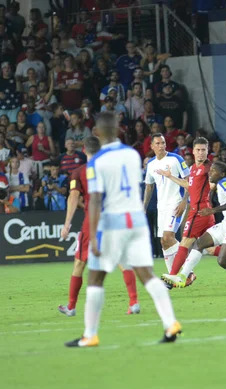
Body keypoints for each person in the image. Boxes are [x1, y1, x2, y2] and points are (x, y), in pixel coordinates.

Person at [65, 113, 181, 348]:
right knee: (146, 274)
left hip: (113, 222)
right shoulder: (132, 154)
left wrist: (95, 234)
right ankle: (170, 323)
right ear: (118, 129)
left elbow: (95, 200)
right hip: (136, 221)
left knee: (95, 277)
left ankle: (90, 334)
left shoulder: (96, 161)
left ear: (97, 132)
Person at [153, 137, 226, 289]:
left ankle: (173, 277)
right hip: (202, 212)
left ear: (207, 151)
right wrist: (170, 176)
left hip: (200, 211)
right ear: (193, 151)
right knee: (209, 248)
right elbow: (189, 185)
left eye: (204, 150)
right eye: (198, 150)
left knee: (185, 242)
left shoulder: (209, 168)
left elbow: (217, 181)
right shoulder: (193, 168)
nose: (201, 153)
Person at [59, 136, 139, 317]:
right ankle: (133, 302)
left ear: (84, 151)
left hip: (92, 222)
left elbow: (73, 197)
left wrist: (67, 224)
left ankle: (71, 306)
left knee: (80, 262)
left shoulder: (79, 172)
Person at [164, 161, 226, 292]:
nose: (210, 173)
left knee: (222, 260)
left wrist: (213, 210)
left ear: (222, 174)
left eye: (213, 171)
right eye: (210, 170)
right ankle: (183, 276)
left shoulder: (224, 183)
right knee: (199, 243)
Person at [143, 133, 190, 273]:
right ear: (152, 146)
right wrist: (143, 207)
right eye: (157, 143)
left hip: (176, 202)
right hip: (161, 207)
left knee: (168, 237)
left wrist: (184, 201)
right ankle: (172, 274)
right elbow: (149, 186)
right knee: (164, 242)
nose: (161, 146)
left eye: (163, 142)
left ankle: (188, 270)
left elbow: (189, 181)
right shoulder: (151, 164)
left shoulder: (176, 159)